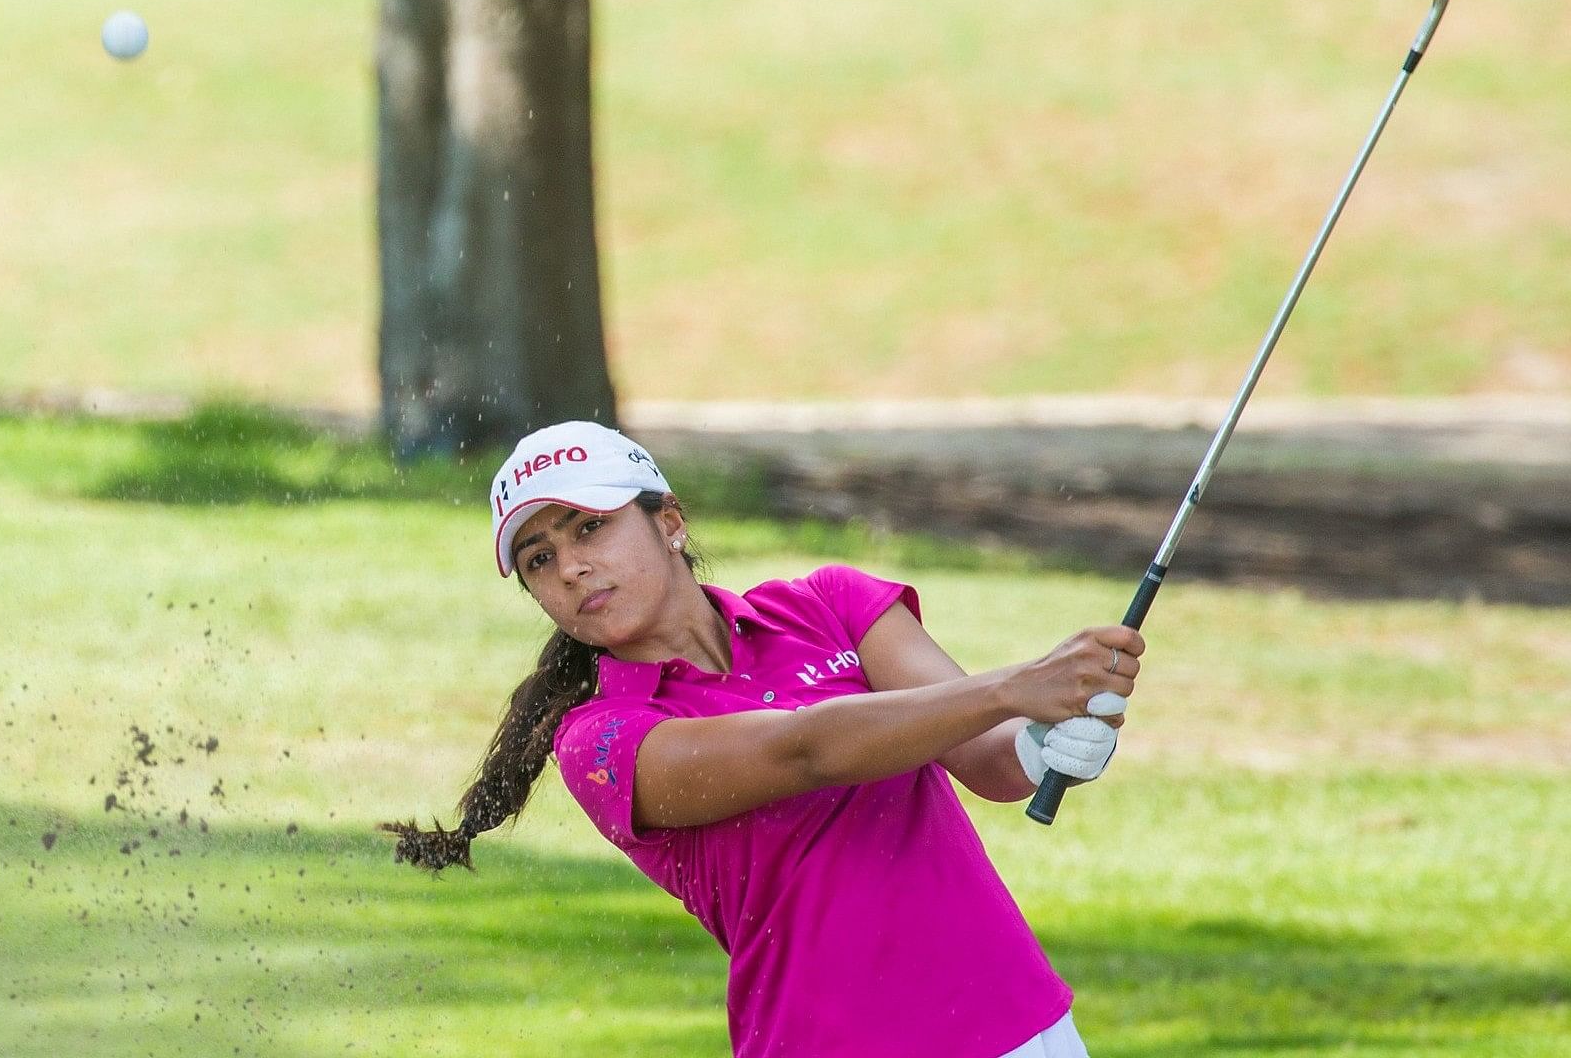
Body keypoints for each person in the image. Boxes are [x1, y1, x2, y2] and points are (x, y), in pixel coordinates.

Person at [380, 420, 1142, 1058]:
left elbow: (988, 759)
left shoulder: (831, 605)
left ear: (669, 523)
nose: (573, 567)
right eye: (539, 559)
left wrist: (1043, 742)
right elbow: (802, 749)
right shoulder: (601, 741)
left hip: (1022, 1022)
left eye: (591, 527)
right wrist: (1012, 689)